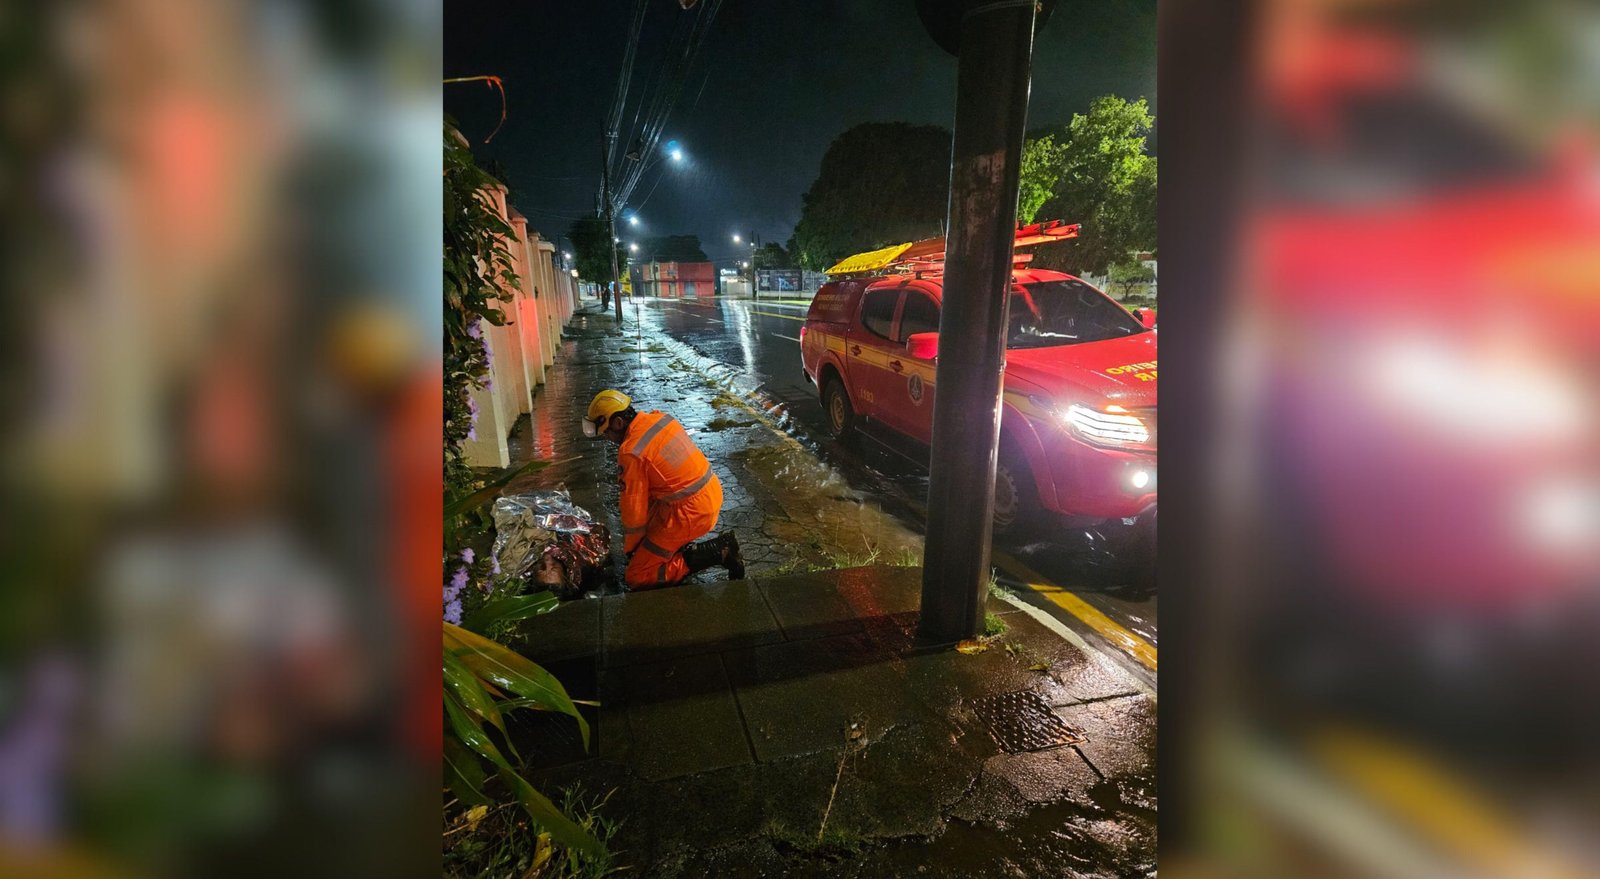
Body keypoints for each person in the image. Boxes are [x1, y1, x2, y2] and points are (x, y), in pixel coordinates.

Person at [582, 390, 744, 589]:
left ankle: (719, 551)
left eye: (606, 431)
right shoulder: (659, 418)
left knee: (637, 575)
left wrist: (632, 551)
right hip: (709, 493)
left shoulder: (631, 451)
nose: (607, 438)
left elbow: (633, 513)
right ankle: (673, 548)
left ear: (618, 423)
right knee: (650, 518)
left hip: (690, 513)